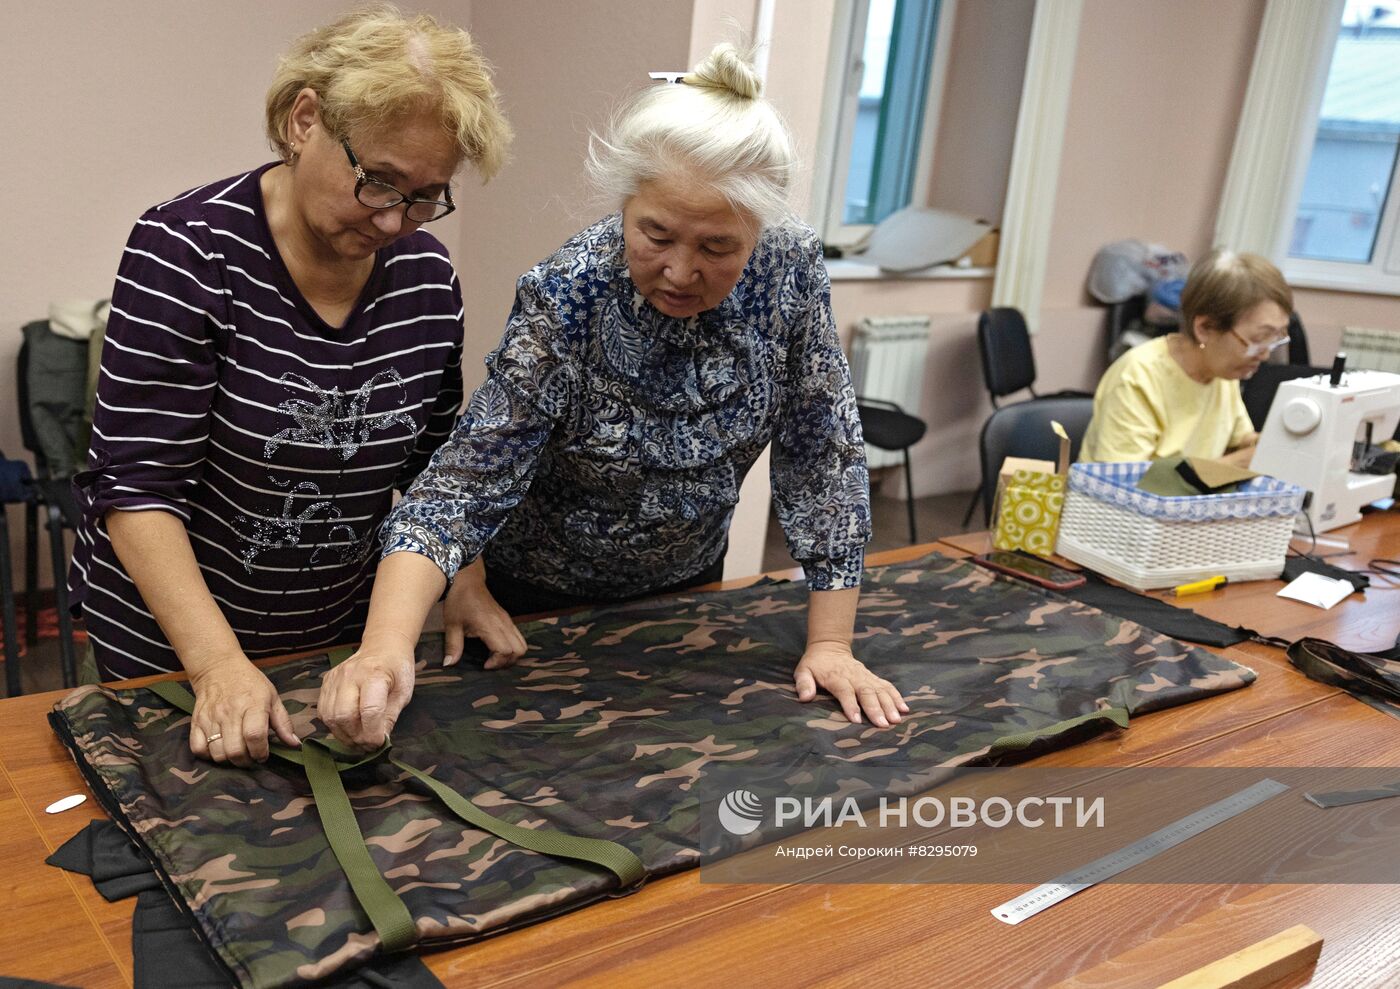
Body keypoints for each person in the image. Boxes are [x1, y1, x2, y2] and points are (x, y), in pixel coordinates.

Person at [317, 43, 910, 750]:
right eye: (655, 234)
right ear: (625, 203)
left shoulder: (792, 272)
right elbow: (460, 485)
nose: (681, 271)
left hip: (685, 591)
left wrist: (833, 642)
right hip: (532, 607)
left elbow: (824, 456)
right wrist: (384, 647)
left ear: (761, 227)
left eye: (718, 247)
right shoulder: (568, 294)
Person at [69, 7, 512, 768]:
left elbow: (440, 465)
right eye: (378, 182)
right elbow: (137, 492)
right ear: (305, 120)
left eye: (425, 195)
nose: (395, 219)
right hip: (172, 653)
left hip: (332, 641)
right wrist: (215, 667)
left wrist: (464, 581)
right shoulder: (186, 253)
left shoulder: (428, 280)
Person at [1079, 249, 1293, 466]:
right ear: (1205, 328)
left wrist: (1272, 446)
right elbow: (1125, 486)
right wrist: (1237, 462)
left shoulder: (1222, 371)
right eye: (1258, 339)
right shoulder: (1138, 377)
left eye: (1276, 337)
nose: (1265, 354)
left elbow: (1241, 440)